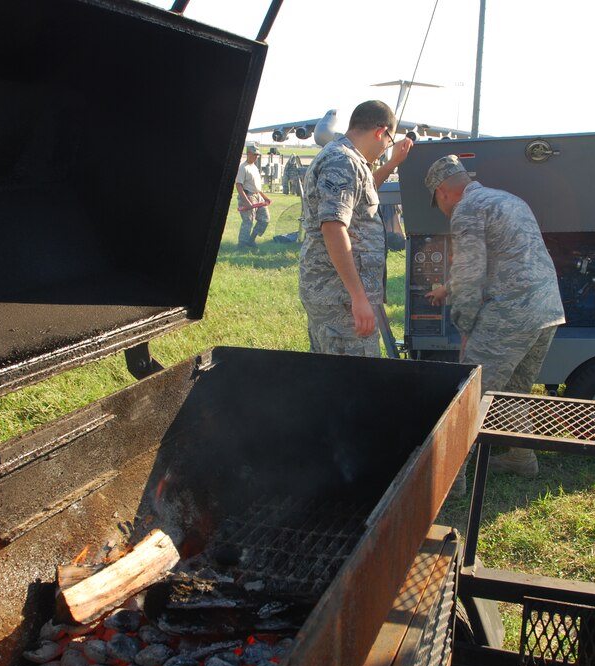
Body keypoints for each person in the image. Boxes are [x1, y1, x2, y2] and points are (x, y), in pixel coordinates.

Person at [424, 155, 565, 488]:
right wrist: (447, 289)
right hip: (546, 308)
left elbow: (471, 273)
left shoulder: (466, 210)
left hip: (510, 314)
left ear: (443, 191)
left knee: (469, 394)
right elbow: (505, 258)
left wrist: (465, 326)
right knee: (514, 391)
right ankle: (520, 457)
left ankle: (449, 481)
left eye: (438, 202)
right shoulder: (507, 199)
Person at [298, 100, 413, 356]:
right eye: (388, 142)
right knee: (356, 381)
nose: (386, 148)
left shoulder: (345, 158)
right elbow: (333, 228)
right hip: (342, 299)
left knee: (331, 378)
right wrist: (358, 297)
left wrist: (392, 163)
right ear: (380, 132)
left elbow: (361, 191)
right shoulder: (342, 161)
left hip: (336, 294)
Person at [235, 143, 270, 249]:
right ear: (248, 154)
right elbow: (239, 185)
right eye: (255, 154)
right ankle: (241, 245)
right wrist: (247, 202)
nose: (256, 157)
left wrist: (265, 197)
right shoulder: (243, 167)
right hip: (248, 196)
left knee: (265, 219)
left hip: (257, 196)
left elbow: (256, 186)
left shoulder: (254, 167)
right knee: (248, 221)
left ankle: (251, 240)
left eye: (258, 155)